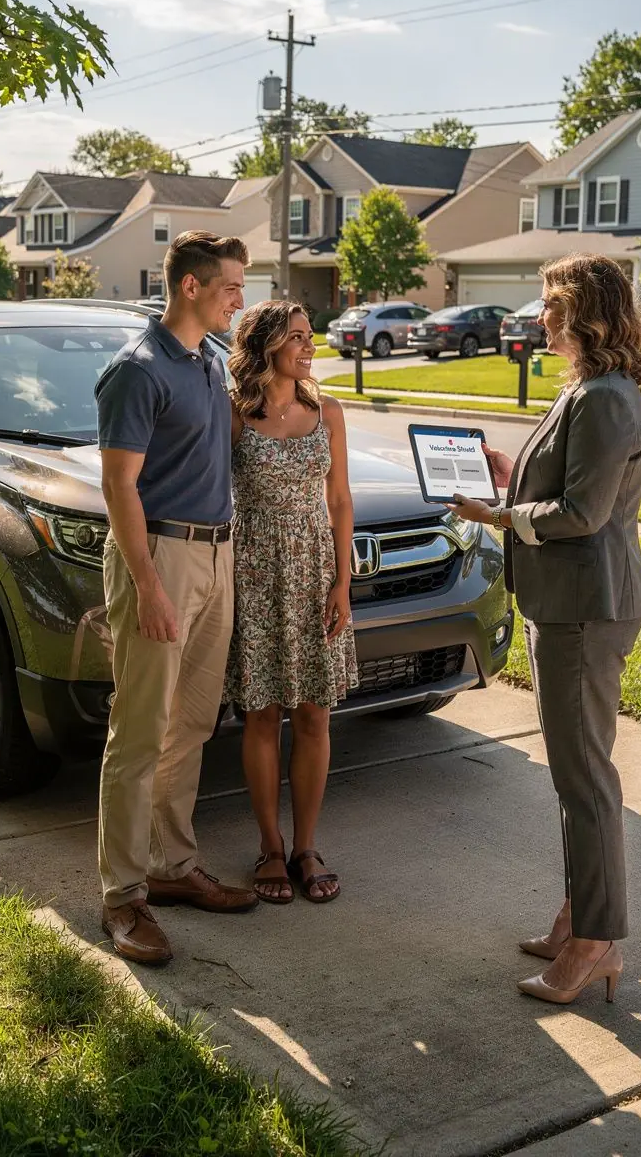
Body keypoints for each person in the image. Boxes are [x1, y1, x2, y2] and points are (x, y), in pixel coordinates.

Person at [448, 254, 641, 1006]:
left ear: (584, 311)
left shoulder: (604, 396)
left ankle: (596, 945)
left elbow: (582, 515)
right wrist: (513, 476)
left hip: (584, 608)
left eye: (549, 304)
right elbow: (569, 487)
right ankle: (577, 919)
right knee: (577, 778)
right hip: (569, 602)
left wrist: (499, 516)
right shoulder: (589, 391)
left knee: (586, 781)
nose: (539, 316)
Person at [95, 232, 258, 965]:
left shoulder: (211, 362)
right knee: (137, 734)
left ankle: (171, 866)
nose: (239, 299)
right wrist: (149, 585)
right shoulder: (137, 371)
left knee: (190, 724)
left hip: (217, 554)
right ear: (190, 287)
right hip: (160, 555)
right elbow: (119, 487)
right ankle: (123, 897)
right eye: (230, 287)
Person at [224, 301, 358, 905]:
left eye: (311, 337)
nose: (309, 347)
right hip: (253, 573)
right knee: (261, 711)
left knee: (314, 713)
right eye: (297, 338)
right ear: (267, 344)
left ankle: (306, 847)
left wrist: (341, 583)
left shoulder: (327, 412)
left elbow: (341, 505)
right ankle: (270, 847)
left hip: (314, 574)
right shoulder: (233, 415)